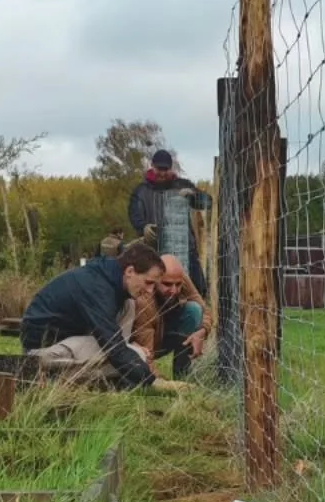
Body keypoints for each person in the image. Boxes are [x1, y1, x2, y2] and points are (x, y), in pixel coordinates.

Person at [19, 240, 185, 392]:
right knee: (135, 355)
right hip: (42, 352)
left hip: (69, 340)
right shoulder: (97, 288)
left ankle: (112, 378)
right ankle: (54, 378)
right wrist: (152, 381)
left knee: (129, 305)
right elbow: (112, 345)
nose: (150, 291)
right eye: (148, 282)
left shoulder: (110, 279)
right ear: (130, 271)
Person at [128, 149, 212, 299]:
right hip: (153, 255)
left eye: (165, 169)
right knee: (154, 298)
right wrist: (144, 228)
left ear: (171, 168)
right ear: (152, 166)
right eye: (159, 168)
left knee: (196, 294)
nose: (162, 173)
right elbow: (134, 216)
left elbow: (208, 202)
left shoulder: (182, 185)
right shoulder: (141, 192)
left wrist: (194, 196)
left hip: (185, 252)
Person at [130, 253, 212, 380]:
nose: (174, 290)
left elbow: (204, 309)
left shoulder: (179, 278)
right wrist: (161, 382)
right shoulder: (144, 300)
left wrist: (202, 331)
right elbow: (146, 354)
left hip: (164, 333)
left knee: (194, 310)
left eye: (178, 284)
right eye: (167, 284)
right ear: (155, 279)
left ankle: (182, 374)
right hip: (141, 345)